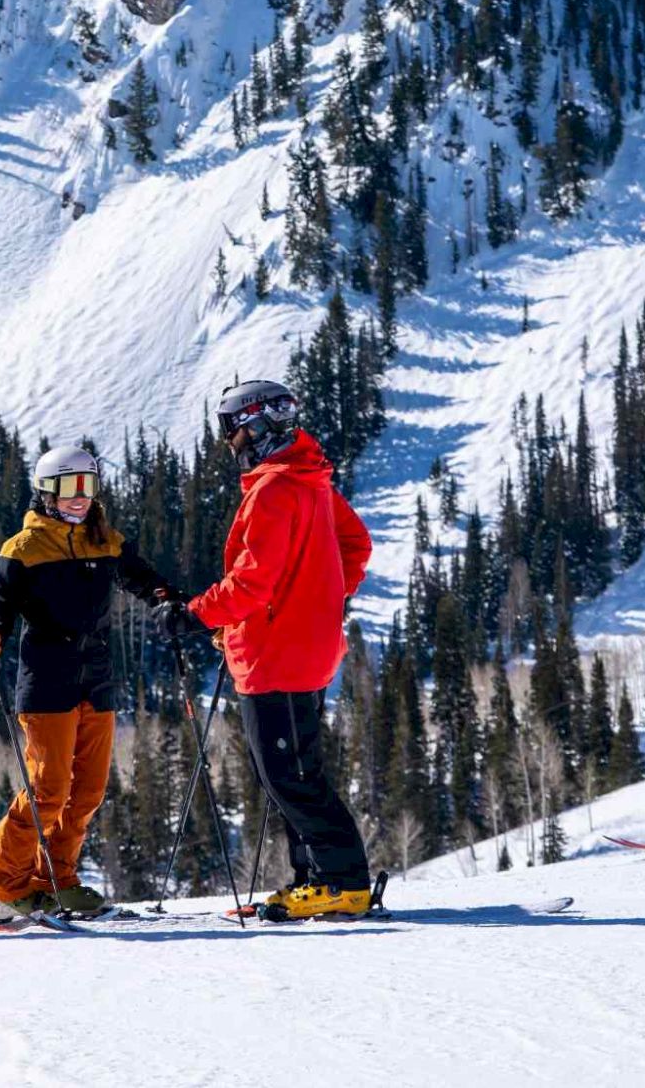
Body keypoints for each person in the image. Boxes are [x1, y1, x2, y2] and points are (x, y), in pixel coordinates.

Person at [156, 379, 375, 920]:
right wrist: (318, 595)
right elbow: (356, 545)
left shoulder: (277, 488)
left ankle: (343, 882)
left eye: (232, 435)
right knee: (292, 772)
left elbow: (252, 583)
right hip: (303, 647)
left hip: (277, 655)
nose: (232, 447)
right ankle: (316, 881)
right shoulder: (311, 479)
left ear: (255, 427)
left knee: (288, 776)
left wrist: (192, 613)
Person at [0, 445, 174, 921]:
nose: (80, 497)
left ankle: (55, 880)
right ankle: (2, 887)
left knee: (87, 791)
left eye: (88, 486)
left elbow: (144, 579)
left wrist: (169, 600)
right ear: (46, 492)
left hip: (96, 678)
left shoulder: (106, 539)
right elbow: (1, 604)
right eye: (68, 488)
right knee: (48, 790)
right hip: (47, 680)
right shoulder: (23, 548)